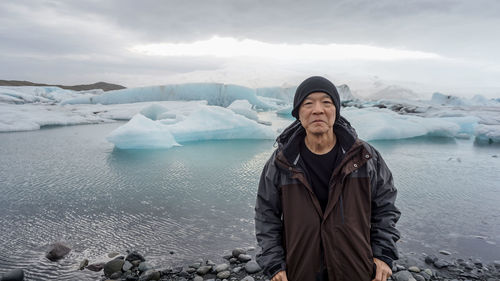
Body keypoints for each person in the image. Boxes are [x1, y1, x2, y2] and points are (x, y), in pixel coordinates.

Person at [255, 76, 400, 281]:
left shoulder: (364, 157)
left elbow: (385, 208)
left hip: (355, 268)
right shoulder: (282, 162)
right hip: (300, 270)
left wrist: (383, 254)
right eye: (308, 103)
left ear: (336, 110)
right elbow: (266, 215)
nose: (317, 110)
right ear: (298, 113)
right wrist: (274, 264)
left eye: (326, 102)